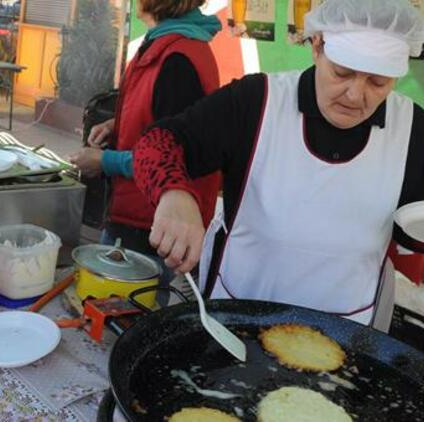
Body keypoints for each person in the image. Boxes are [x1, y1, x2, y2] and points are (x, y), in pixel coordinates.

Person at [133, 0, 424, 327]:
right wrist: (174, 195)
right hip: (237, 319)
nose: (355, 95)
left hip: (346, 334)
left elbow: (412, 231)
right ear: (317, 46)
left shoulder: (412, 129)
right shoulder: (258, 101)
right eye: (342, 72)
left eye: (378, 82)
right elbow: (157, 142)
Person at [69, 0, 223, 297]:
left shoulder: (180, 58)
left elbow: (177, 159)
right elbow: (163, 115)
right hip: (135, 212)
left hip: (151, 224)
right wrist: (118, 122)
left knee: (126, 311)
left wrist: (104, 161)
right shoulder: (168, 42)